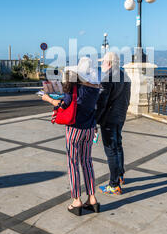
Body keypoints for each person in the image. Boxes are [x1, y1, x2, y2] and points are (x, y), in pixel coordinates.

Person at [41, 57, 101, 216]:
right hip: (89, 129)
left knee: (73, 163)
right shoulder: (95, 89)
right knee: (87, 162)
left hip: (75, 129)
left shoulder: (75, 88)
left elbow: (63, 104)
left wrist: (48, 99)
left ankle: (76, 201)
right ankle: (92, 199)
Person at [96, 52, 131, 195]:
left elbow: (102, 102)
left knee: (111, 150)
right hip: (120, 117)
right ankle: (120, 176)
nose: (101, 64)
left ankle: (114, 184)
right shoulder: (124, 75)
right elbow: (127, 98)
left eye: (103, 62)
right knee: (118, 146)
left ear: (109, 63)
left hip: (109, 119)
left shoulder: (108, 78)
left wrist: (95, 120)